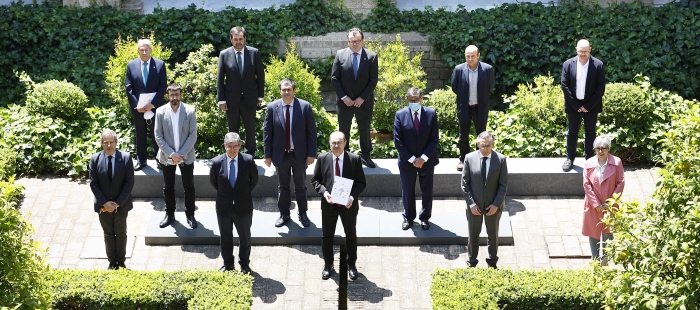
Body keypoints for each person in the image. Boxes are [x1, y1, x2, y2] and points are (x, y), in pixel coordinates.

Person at [311, 132, 366, 280]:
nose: (336, 146)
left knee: (351, 236)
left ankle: (352, 265)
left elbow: (361, 182)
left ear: (345, 143)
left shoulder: (354, 160)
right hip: (329, 205)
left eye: (339, 142)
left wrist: (352, 197)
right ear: (329, 143)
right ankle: (328, 265)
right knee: (327, 236)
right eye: (333, 143)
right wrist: (324, 193)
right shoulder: (323, 159)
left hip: (348, 206)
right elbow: (316, 181)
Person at [263, 79, 317, 228]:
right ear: (280, 91)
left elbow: (311, 132)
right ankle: (284, 214)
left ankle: (303, 213)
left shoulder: (304, 107)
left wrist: (311, 154)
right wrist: (267, 156)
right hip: (281, 155)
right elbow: (267, 133)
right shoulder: (272, 107)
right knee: (283, 186)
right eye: (283, 89)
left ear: (294, 90)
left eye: (289, 89)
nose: (286, 92)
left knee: (301, 186)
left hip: (299, 154)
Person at [210, 132, 259, 275]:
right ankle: (228, 264)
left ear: (240, 145)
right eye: (229, 146)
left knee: (245, 237)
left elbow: (254, 181)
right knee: (225, 237)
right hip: (224, 206)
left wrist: (241, 194)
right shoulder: (216, 162)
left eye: (235, 146)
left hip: (243, 206)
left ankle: (244, 264)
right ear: (224, 146)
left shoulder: (248, 160)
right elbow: (214, 182)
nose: (232, 150)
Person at [331, 27, 379, 168]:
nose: (355, 44)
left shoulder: (371, 56)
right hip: (344, 102)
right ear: (348, 41)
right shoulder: (340, 55)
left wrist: (362, 98)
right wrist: (344, 97)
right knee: (344, 130)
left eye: (357, 41)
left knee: (365, 129)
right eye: (352, 41)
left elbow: (373, 80)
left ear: (362, 40)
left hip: (364, 102)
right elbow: (335, 78)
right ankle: (344, 156)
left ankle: (365, 156)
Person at [393, 87, 439, 231]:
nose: (413, 102)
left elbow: (434, 139)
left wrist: (423, 158)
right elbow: (398, 141)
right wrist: (413, 159)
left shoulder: (431, 114)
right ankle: (408, 217)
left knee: (427, 190)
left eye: (416, 100)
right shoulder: (400, 115)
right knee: (407, 190)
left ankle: (425, 218)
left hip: (427, 160)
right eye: (410, 100)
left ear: (421, 99)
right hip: (407, 162)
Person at [89, 129, 135, 270]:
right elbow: (94, 183)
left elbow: (129, 183)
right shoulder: (95, 159)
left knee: (121, 234)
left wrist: (117, 204)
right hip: (103, 206)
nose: (109, 145)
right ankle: (111, 262)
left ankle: (120, 262)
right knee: (108, 234)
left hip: (121, 205)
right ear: (102, 144)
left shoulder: (126, 158)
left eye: (111, 142)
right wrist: (105, 203)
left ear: (116, 143)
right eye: (106, 142)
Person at [461, 131, 508, 269]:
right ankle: (472, 261)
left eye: (488, 145)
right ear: (478, 145)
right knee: (473, 235)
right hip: (474, 206)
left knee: (493, 235)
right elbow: (465, 184)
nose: (485, 149)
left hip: (493, 206)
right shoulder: (469, 158)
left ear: (493, 144)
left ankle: (492, 262)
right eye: (482, 146)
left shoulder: (500, 159)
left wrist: (495, 205)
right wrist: (471, 204)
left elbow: (503, 185)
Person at [154, 83, 198, 229]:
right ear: (167, 95)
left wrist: (181, 154)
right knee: (168, 187)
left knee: (189, 187)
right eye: (172, 94)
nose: (175, 97)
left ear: (181, 95)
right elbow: (158, 136)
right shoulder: (160, 112)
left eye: (177, 94)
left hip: (186, 155)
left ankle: (190, 215)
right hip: (168, 156)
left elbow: (193, 135)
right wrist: (172, 154)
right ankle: (170, 214)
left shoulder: (190, 111)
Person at [217, 26, 265, 157]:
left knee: (250, 129)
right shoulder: (224, 54)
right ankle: (234, 154)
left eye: (241, 39)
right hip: (231, 99)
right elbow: (220, 78)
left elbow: (260, 75)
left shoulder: (254, 53)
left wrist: (260, 96)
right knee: (233, 129)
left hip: (250, 98)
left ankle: (250, 155)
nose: (238, 42)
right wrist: (221, 100)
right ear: (231, 39)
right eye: (235, 39)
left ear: (245, 39)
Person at [560, 39, 606, 172]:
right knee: (572, 133)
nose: (582, 54)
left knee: (590, 133)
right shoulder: (568, 64)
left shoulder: (598, 65)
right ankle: (570, 158)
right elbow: (564, 85)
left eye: (585, 51)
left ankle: (590, 160)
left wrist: (588, 106)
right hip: (573, 106)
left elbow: (600, 88)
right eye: (580, 51)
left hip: (591, 106)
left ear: (590, 49)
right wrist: (576, 105)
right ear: (576, 49)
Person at [451, 45, 495, 172]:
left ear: (478, 55)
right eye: (467, 56)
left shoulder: (487, 69)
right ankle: (463, 159)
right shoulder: (459, 69)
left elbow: (490, 86)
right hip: (464, 107)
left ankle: (479, 158)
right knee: (463, 135)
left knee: (481, 134)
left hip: (480, 107)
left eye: (472, 56)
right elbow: (455, 87)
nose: (470, 59)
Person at [125, 38, 167, 171]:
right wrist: (137, 105)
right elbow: (128, 87)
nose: (144, 52)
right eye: (141, 50)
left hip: (155, 107)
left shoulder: (160, 65)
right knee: (140, 134)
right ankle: (141, 160)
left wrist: (152, 104)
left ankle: (160, 159)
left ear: (150, 50)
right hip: (138, 108)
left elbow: (163, 86)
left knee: (157, 134)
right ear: (138, 51)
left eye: (146, 49)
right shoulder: (131, 65)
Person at [582, 135, 624, 266]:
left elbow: (620, 182)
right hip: (593, 205)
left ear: (609, 149)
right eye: (598, 148)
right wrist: (596, 204)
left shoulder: (616, 162)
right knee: (593, 233)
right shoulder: (589, 163)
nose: (600, 151)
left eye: (603, 148)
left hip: (609, 206)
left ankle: (605, 260)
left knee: (608, 233)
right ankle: (595, 260)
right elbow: (586, 185)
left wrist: (610, 203)